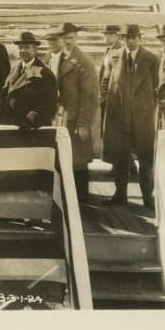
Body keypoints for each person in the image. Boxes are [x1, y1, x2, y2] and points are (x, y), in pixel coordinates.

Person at [103, 25, 160, 208]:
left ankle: (147, 198)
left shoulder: (151, 59)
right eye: (127, 37)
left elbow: (157, 89)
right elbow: (106, 81)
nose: (130, 40)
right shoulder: (114, 57)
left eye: (134, 37)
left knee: (145, 160)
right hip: (120, 118)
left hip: (142, 119)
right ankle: (120, 195)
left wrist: (149, 110)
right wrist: (107, 101)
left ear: (140, 38)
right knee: (121, 159)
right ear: (122, 38)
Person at [52, 23, 100, 202]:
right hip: (60, 118)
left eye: (71, 38)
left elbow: (90, 97)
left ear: (76, 38)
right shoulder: (56, 59)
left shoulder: (83, 63)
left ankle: (81, 199)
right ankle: (65, 197)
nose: (67, 42)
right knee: (63, 158)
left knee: (78, 161)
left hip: (75, 120)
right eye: (64, 38)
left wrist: (83, 124)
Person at [0, 33, 58, 129]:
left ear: (35, 50)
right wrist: (1, 118)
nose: (23, 51)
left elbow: (50, 105)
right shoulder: (14, 69)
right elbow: (4, 94)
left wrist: (30, 120)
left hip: (31, 128)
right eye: (20, 48)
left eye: (27, 47)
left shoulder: (45, 73)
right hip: (11, 126)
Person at [97, 25, 125, 159]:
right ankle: (125, 164)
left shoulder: (121, 51)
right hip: (105, 96)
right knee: (110, 131)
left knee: (116, 131)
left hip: (114, 96)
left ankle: (120, 163)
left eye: (110, 34)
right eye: (105, 34)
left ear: (117, 36)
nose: (106, 37)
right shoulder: (109, 50)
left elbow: (118, 76)